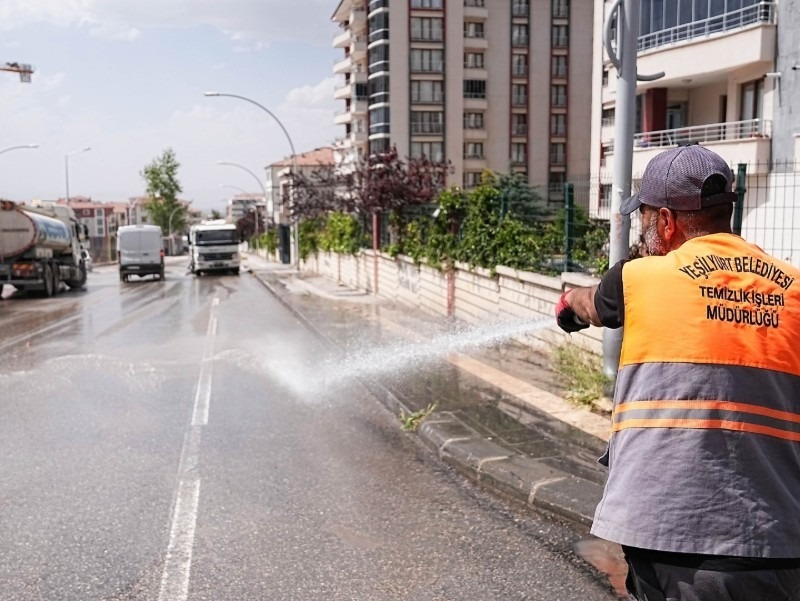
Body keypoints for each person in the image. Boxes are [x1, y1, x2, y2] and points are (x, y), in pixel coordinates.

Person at [555, 145, 800, 601]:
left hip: (674, 535)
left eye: (644, 217)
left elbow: (590, 303)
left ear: (666, 222)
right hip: (779, 539)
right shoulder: (794, 289)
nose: (643, 229)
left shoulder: (638, 278)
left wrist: (568, 303)